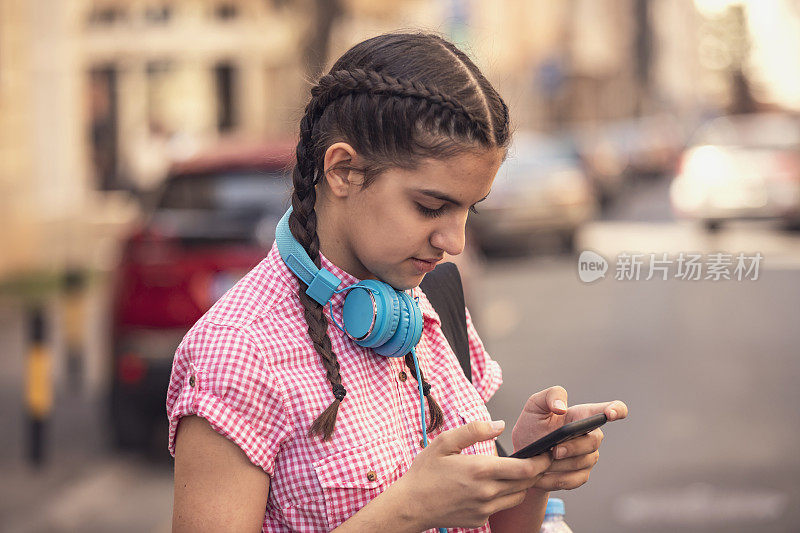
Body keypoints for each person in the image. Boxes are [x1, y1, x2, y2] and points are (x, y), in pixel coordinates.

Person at [168, 31, 628, 532]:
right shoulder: (237, 352)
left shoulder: (431, 302)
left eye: (469, 208)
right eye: (431, 207)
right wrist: (408, 511)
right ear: (343, 170)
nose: (454, 240)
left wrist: (531, 472)